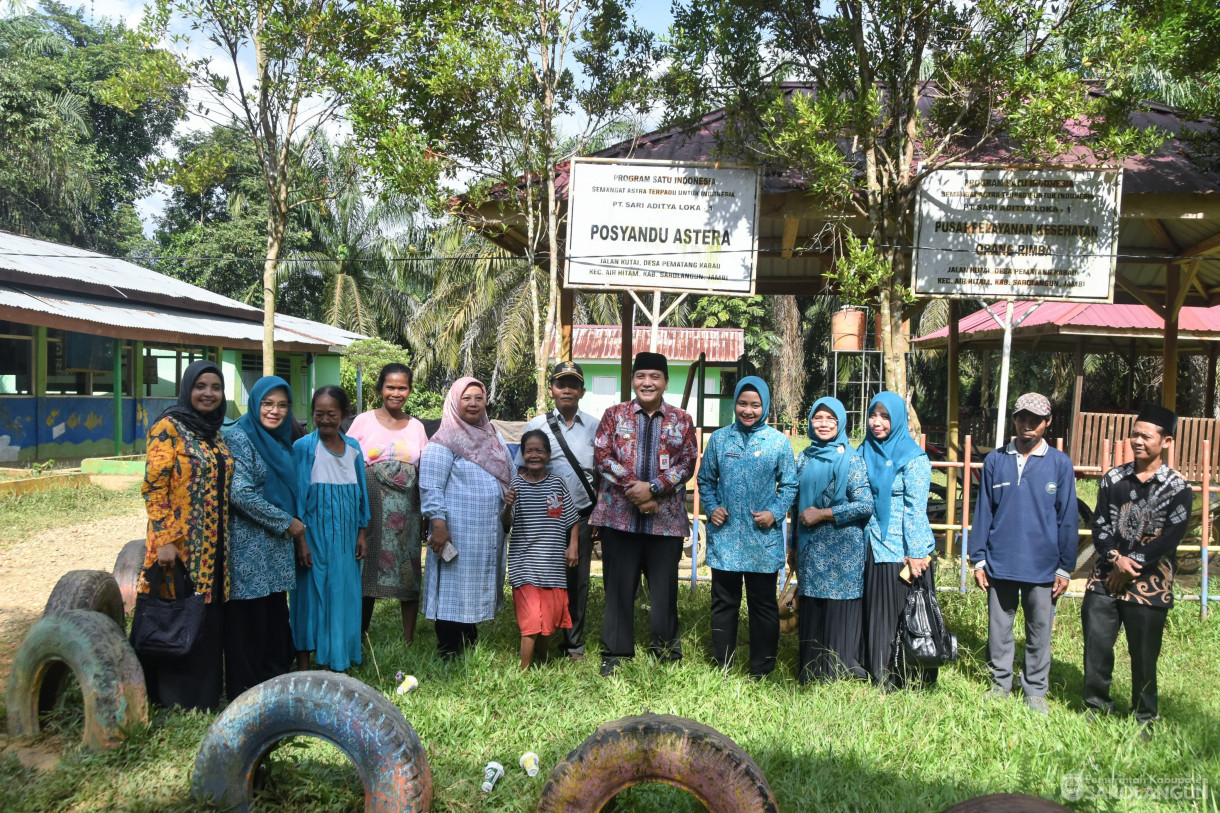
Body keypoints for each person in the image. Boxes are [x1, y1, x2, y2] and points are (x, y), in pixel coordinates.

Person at [1083, 402, 1191, 737]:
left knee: (1144, 654)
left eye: (1146, 436)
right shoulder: (1113, 478)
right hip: (1106, 574)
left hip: (1151, 582)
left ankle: (1145, 715)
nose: (1138, 441)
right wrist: (1116, 559)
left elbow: (1171, 537)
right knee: (1097, 645)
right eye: (1134, 434)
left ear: (1167, 442)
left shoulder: (1178, 488)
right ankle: (1096, 706)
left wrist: (1134, 565)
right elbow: (1099, 525)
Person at [969, 392, 1078, 714]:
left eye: (1035, 420)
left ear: (1048, 422)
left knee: (1039, 631)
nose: (1027, 425)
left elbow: (1067, 517)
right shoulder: (996, 460)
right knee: (999, 631)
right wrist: (978, 558)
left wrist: (1064, 567)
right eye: (1021, 418)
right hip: (1000, 562)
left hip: (1043, 566)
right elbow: (983, 512)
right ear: (1014, 419)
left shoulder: (1059, 463)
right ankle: (1000, 684)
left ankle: (1035, 690)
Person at [592, 351, 699, 677]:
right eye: (641, 376)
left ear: (665, 382)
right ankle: (616, 651)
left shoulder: (681, 420)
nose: (647, 382)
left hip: (664, 523)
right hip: (619, 520)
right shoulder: (614, 416)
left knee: (664, 590)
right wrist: (635, 489)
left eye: (655, 376)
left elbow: (687, 463)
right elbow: (602, 456)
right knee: (618, 588)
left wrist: (653, 488)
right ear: (633, 380)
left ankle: (665, 650)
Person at [137, 359, 232, 711]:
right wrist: (164, 541)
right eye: (201, 386)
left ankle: (202, 696)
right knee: (173, 611)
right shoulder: (168, 428)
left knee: (204, 615)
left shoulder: (214, 431)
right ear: (187, 388)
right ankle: (169, 695)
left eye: (215, 388)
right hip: (177, 546)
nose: (208, 394)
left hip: (214, 545)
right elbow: (153, 488)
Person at [696, 376, 797, 678]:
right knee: (724, 602)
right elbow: (705, 479)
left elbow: (790, 484)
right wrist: (712, 508)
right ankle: (722, 666)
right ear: (735, 404)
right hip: (726, 537)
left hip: (761, 538)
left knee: (763, 604)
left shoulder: (778, 442)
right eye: (742, 403)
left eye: (755, 404)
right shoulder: (720, 439)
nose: (748, 410)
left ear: (764, 406)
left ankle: (761, 668)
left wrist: (775, 513)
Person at [419, 377, 513, 659]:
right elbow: (431, 485)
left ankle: (469, 639)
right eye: (466, 398)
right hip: (454, 530)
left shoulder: (491, 435)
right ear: (454, 401)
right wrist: (438, 524)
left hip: (485, 532)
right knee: (452, 585)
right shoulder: (444, 439)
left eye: (478, 398)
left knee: (471, 585)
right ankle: (448, 647)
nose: (473, 403)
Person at [223, 375, 303, 698]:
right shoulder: (241, 437)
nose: (275, 411)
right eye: (268, 404)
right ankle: (246, 692)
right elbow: (240, 493)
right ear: (255, 404)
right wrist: (287, 522)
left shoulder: (282, 441)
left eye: (282, 405)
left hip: (275, 549)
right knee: (249, 621)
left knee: (272, 615)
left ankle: (274, 688)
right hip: (248, 548)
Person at [514, 361, 599, 661]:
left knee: (577, 580)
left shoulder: (595, 425)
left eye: (573, 384)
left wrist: (599, 513)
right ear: (551, 389)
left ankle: (573, 644)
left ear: (582, 391)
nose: (567, 389)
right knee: (541, 577)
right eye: (561, 383)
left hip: (583, 514)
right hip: (542, 520)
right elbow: (520, 471)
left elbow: (601, 473)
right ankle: (538, 636)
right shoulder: (535, 427)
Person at [790, 396, 874, 683]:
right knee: (813, 607)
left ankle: (841, 674)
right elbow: (795, 506)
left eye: (831, 419)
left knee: (840, 612)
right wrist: (792, 546)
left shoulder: (851, 459)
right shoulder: (804, 458)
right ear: (810, 422)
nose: (824, 424)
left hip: (843, 553)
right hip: (810, 550)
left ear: (840, 423)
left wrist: (824, 514)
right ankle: (811, 673)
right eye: (818, 418)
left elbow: (865, 505)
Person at [346, 363, 429, 644]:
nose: (396, 393)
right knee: (367, 571)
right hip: (371, 510)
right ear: (380, 388)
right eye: (390, 387)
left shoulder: (417, 427)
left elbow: (424, 469)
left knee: (408, 572)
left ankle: (408, 639)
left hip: (407, 512)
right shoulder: (363, 422)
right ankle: (359, 635)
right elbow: (349, 464)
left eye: (402, 387)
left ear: (410, 389)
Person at [290, 386, 369, 672]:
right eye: (318, 414)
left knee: (342, 594)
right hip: (313, 538)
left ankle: (336, 658)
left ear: (344, 415)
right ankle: (304, 662)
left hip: (346, 539)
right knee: (308, 598)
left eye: (331, 414)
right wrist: (301, 541)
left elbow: (361, 494)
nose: (324, 419)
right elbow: (298, 498)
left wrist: (362, 533)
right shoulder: (303, 448)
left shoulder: (354, 449)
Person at [861, 391, 935, 690]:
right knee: (875, 615)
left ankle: (904, 677)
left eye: (885, 416)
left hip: (899, 551)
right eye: (873, 415)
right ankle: (877, 673)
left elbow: (915, 509)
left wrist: (916, 551)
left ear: (898, 419)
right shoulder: (864, 450)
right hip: (869, 545)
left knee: (901, 617)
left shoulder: (913, 458)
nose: (877, 422)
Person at [503, 430, 580, 669]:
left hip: (553, 565)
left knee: (547, 620)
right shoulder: (515, 485)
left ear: (547, 455)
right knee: (531, 621)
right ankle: (523, 670)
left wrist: (573, 546)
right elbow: (507, 524)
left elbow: (572, 519)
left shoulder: (557, 483)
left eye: (539, 450)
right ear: (522, 455)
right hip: (524, 564)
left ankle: (543, 662)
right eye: (528, 450)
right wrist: (507, 507)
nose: (533, 455)